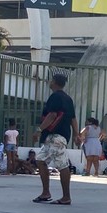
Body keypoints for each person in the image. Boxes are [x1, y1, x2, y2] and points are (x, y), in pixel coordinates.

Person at [33, 73, 78, 205]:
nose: (49, 82)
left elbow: (52, 115)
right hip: (60, 135)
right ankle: (46, 193)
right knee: (41, 160)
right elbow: (73, 118)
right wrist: (76, 134)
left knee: (62, 165)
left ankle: (65, 197)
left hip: (55, 136)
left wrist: (39, 130)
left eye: (51, 80)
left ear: (54, 82)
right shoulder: (68, 99)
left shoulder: (55, 97)